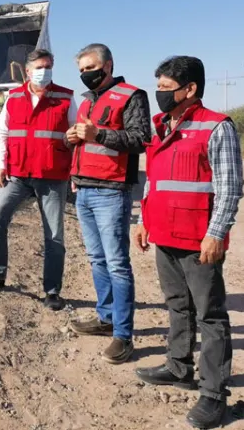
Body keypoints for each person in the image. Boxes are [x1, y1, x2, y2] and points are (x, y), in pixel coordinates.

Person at [134, 56, 243, 430]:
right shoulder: (162, 126)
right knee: (177, 306)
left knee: (211, 315)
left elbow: (229, 189)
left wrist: (216, 234)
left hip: (199, 240)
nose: (159, 95)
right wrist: (142, 219)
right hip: (163, 233)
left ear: (190, 89)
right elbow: (153, 180)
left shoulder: (216, 128)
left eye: (165, 88)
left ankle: (214, 394)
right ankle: (178, 367)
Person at [66, 43, 151, 364]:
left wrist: (97, 135)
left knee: (117, 263)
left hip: (112, 191)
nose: (86, 75)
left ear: (108, 65)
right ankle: (105, 318)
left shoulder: (131, 96)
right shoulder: (88, 101)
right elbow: (80, 140)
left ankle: (123, 336)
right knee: (96, 259)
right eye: (82, 71)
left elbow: (140, 139)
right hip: (84, 189)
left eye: (90, 68)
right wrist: (71, 137)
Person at [0, 48, 76, 311]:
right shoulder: (14, 96)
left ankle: (52, 291)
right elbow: (2, 132)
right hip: (17, 174)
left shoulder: (65, 98)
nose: (45, 71)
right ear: (27, 71)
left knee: (54, 235)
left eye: (49, 66)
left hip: (52, 177)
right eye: (40, 66)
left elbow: (76, 137)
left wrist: (75, 171)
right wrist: (0, 164)